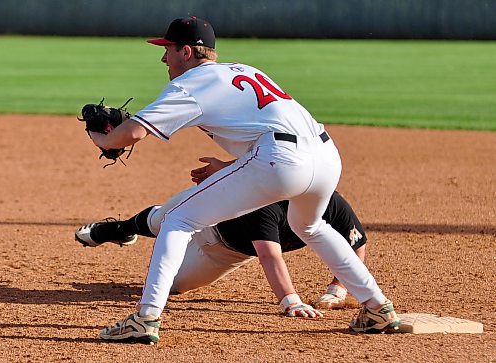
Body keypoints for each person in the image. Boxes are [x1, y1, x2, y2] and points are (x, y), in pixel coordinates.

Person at [86, 16, 400, 344]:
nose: (164, 58)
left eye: (169, 49)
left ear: (187, 52)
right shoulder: (245, 70)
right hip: (325, 155)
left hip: (280, 158)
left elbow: (134, 132)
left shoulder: (191, 83)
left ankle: (146, 317)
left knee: (178, 220)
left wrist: (104, 140)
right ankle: (377, 308)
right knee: (310, 226)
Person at [76, 188, 367, 318]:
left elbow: (356, 243)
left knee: (173, 285)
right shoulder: (268, 206)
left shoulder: (331, 203)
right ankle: (119, 230)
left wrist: (338, 289)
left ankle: (159, 234)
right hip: (209, 222)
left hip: (224, 253)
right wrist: (290, 302)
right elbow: (269, 256)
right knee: (164, 218)